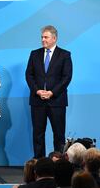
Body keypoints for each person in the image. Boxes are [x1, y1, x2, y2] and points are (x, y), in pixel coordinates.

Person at [25, 25, 72, 158]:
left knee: (59, 135)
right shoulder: (34, 54)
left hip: (56, 101)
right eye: (42, 37)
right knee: (38, 134)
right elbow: (29, 75)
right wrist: (37, 91)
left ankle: (59, 164)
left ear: (54, 38)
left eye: (46, 37)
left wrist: (52, 92)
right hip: (37, 101)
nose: (43, 40)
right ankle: (39, 163)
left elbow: (67, 77)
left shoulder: (65, 55)